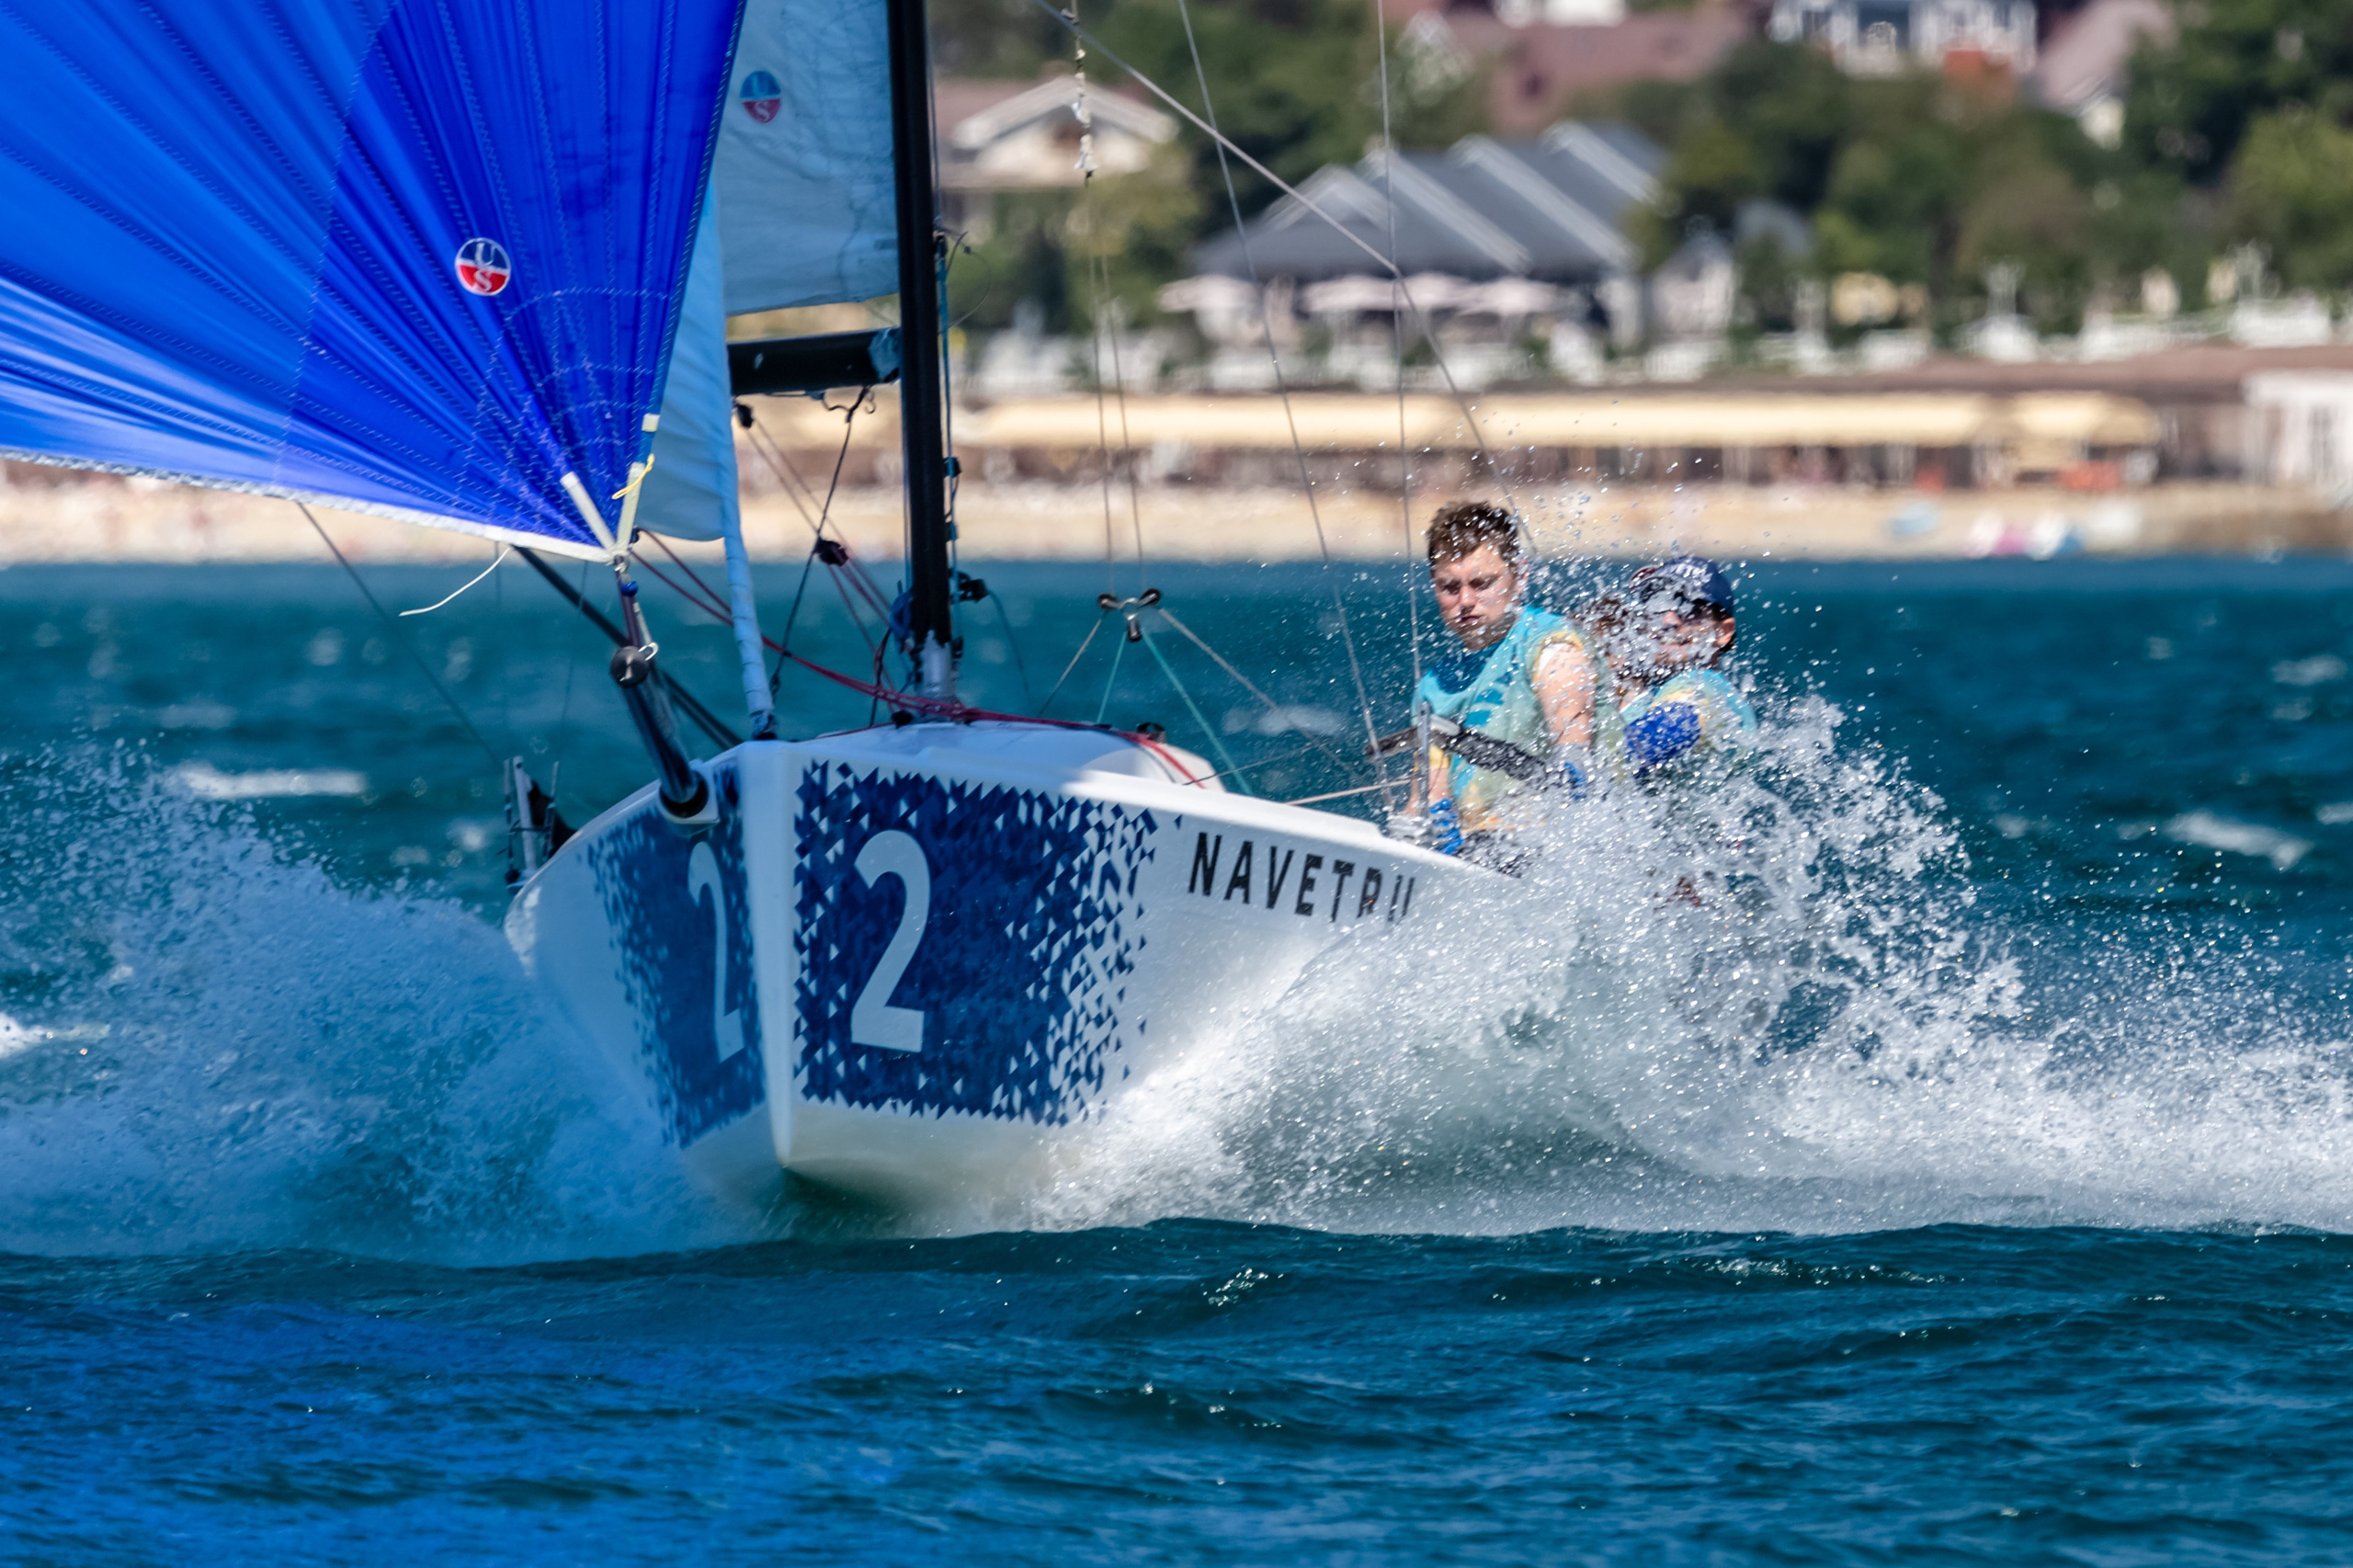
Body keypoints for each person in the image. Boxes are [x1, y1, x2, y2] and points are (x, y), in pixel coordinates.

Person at [1407, 501, 1621, 857]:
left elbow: (1574, 761)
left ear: (1520, 577)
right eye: (1449, 587)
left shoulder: (1553, 647)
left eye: (1481, 583)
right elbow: (1427, 800)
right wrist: (1423, 829)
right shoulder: (1434, 685)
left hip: (1564, 851)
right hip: (1475, 856)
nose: (1466, 601)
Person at [1606, 555, 1756, 778]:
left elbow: (1670, 728)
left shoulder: (1706, 690)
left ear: (1723, 632)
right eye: (1657, 603)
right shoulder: (1648, 697)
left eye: (1690, 607)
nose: (1669, 620)